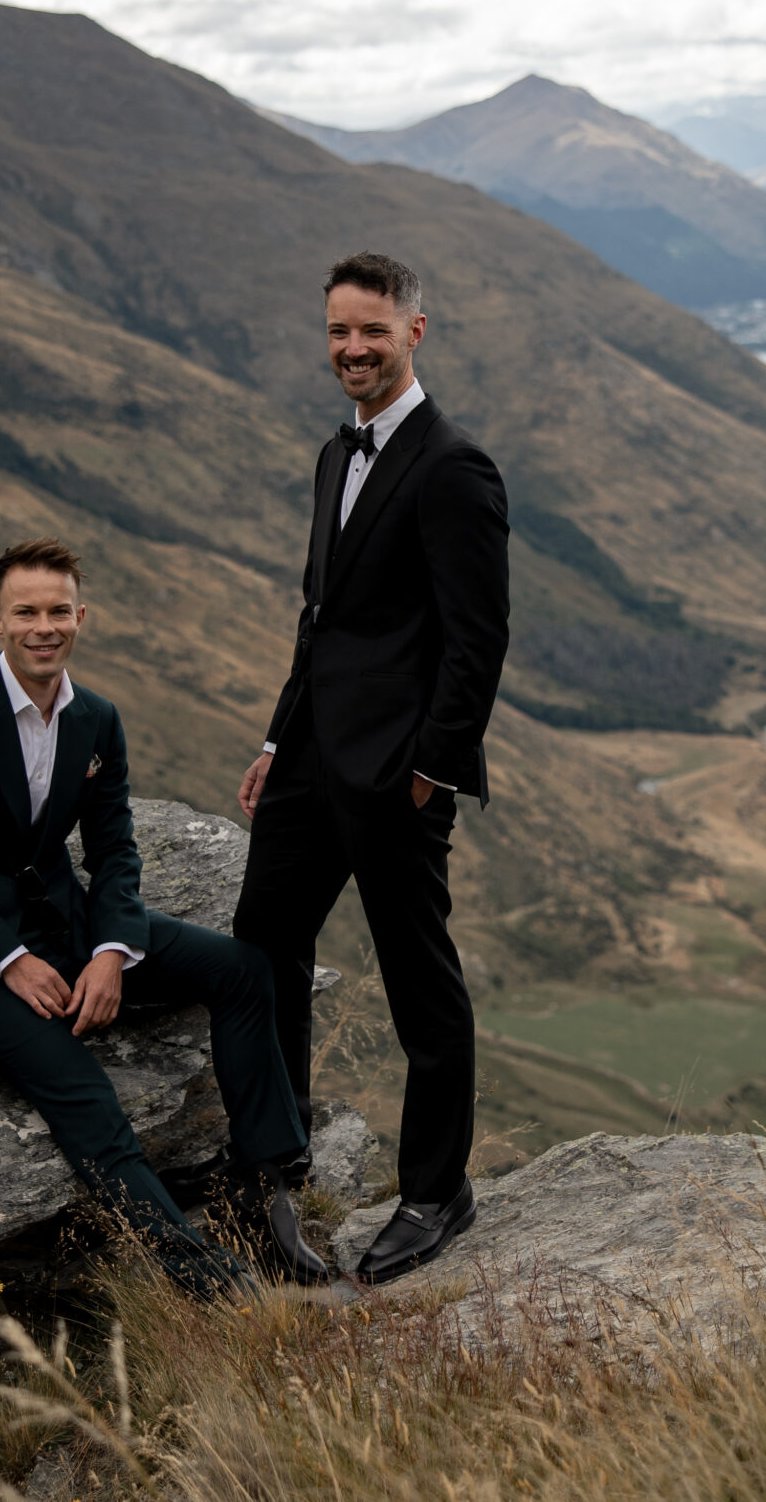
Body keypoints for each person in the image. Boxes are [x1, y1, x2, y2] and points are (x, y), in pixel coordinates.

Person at [0, 537, 331, 1295]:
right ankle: (206, 1280)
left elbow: (114, 850)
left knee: (242, 969)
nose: (43, 627)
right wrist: (9, 960)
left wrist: (110, 950)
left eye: (58, 611)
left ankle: (262, 1190)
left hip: (68, 926)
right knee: (90, 1099)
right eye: (26, 612)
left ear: (81, 616)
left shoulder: (96, 718)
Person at [233, 251, 510, 1285]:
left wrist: (432, 769)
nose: (353, 349)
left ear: (414, 333)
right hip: (309, 761)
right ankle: (274, 1170)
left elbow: (477, 638)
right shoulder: (332, 454)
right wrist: (277, 739)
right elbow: (321, 621)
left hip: (397, 776)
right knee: (260, 950)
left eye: (373, 332)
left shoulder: (454, 466)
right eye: (339, 332)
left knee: (417, 984)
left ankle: (437, 1192)